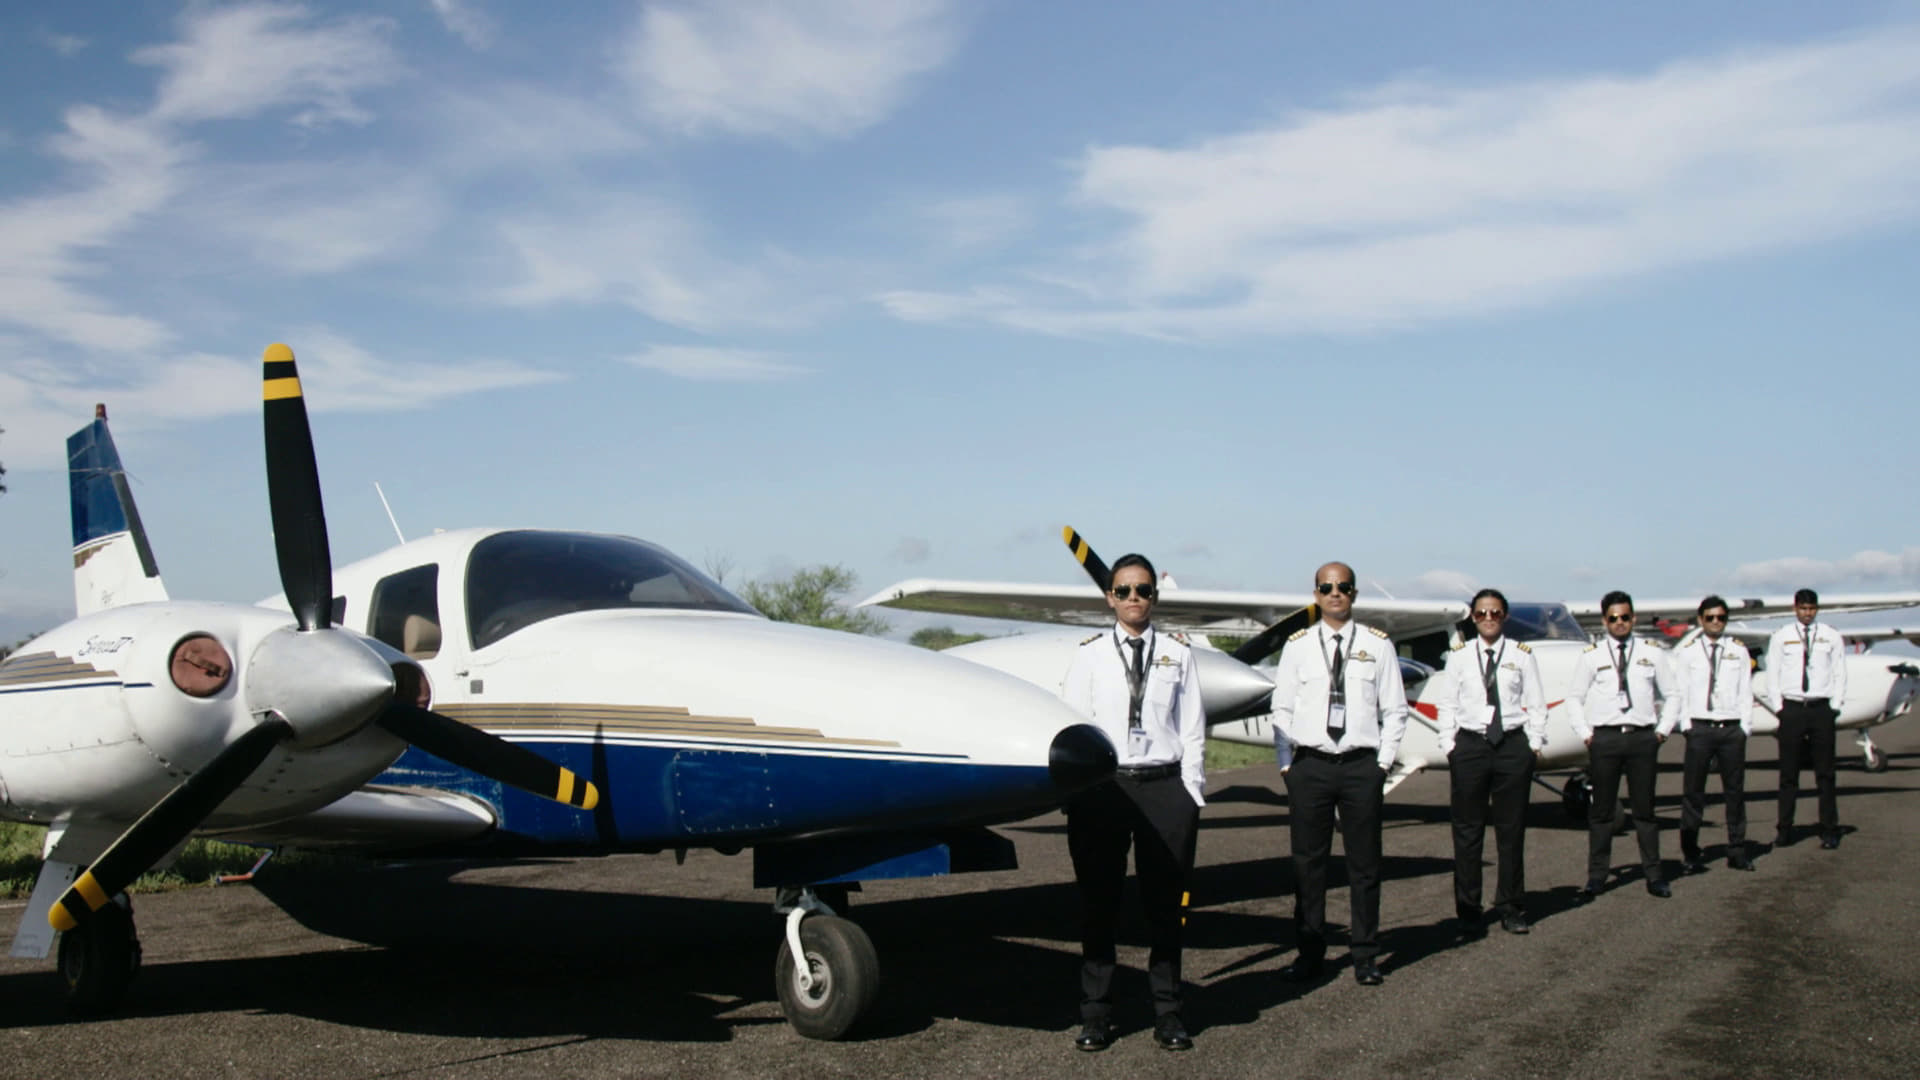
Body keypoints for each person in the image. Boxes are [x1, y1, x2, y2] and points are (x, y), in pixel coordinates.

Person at [1059, 553, 1206, 1052]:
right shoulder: (1091, 655)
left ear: (1154, 597)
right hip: (1105, 789)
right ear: (1109, 597)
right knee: (1099, 904)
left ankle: (1168, 1013)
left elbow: (1193, 727)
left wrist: (1191, 793)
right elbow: (1075, 727)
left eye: (1142, 590)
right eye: (1123, 591)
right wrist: (1076, 792)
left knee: (1166, 909)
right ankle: (1096, 1014)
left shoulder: (1178, 653)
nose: (1133, 599)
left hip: (1165, 788)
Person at [1270, 561, 1408, 986]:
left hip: (1360, 767)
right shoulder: (1298, 646)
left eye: (1343, 587)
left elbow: (1395, 710)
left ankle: (1365, 954)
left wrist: (1382, 764)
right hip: (1310, 767)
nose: (1335, 593)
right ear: (1315, 594)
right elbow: (1282, 709)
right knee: (1308, 866)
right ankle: (1310, 954)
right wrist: (1287, 765)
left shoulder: (1377, 645)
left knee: (1364, 866)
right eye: (1327, 587)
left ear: (1354, 594)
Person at [1436, 588, 1547, 936]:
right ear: (1472, 616)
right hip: (1470, 746)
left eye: (1495, 613)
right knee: (1467, 831)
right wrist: (1449, 745)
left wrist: (1534, 744)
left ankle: (1511, 905)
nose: (1488, 618)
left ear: (1505, 616)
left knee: (1511, 830)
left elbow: (1537, 703)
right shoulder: (1459, 657)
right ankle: (1468, 910)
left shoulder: (1522, 655)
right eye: (1482, 613)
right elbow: (1447, 705)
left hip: (1512, 746)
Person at [1565, 590, 1679, 900]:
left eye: (1625, 617)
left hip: (1642, 738)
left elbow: (1673, 695)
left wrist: (1663, 731)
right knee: (1601, 813)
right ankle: (1597, 877)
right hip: (1605, 739)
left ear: (1633, 618)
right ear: (1604, 621)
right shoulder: (1592, 655)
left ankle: (1655, 876)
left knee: (1645, 812)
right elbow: (1574, 697)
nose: (1620, 623)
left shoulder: (1652, 652)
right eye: (1613, 618)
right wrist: (1586, 734)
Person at [1674, 596, 1756, 872]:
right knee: (1693, 793)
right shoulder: (1688, 652)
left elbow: (1746, 690)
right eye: (1710, 618)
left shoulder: (1738, 651)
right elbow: (1680, 691)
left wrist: (1745, 727)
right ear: (1700, 620)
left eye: (1721, 617)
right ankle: (1690, 852)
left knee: (1735, 793)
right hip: (1700, 728)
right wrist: (1687, 726)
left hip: (1731, 728)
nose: (1716, 622)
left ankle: (1737, 849)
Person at [1764, 588, 1848, 850]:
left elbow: (1840, 672)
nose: (1807, 613)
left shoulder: (1831, 636)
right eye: (1803, 608)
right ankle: (1785, 830)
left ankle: (1829, 829)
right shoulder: (1782, 636)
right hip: (1792, 708)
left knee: (1825, 773)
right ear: (1795, 608)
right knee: (1788, 774)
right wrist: (1779, 708)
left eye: (1812, 609)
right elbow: (1772, 673)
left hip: (1821, 708)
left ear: (1817, 609)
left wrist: (1834, 706)